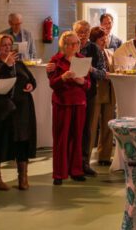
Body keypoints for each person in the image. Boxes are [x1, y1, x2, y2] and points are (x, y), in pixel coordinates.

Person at [0, 34, 38, 191]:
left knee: (22, 141)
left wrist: (31, 86)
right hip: (0, 109)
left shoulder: (19, 63)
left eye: (9, 45)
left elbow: (32, 80)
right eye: (4, 45)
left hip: (21, 109)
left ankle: (23, 178)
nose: (7, 48)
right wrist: (5, 65)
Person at [48, 31, 93, 185]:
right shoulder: (55, 61)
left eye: (77, 43)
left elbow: (88, 85)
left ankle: (76, 171)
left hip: (79, 103)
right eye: (72, 44)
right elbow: (52, 84)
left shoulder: (82, 60)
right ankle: (59, 173)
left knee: (77, 138)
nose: (75, 46)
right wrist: (63, 77)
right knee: (61, 138)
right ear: (64, 45)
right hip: (62, 103)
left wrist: (82, 81)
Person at [74, 20, 107, 172]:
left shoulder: (94, 48)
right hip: (71, 93)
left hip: (89, 93)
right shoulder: (69, 46)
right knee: (72, 127)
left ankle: (84, 162)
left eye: (86, 32)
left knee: (86, 128)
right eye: (80, 32)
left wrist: (91, 70)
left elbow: (102, 73)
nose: (83, 35)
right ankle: (71, 161)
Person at [84, 27, 114, 171]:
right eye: (101, 39)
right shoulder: (90, 52)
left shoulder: (110, 52)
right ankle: (86, 159)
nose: (104, 41)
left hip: (109, 92)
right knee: (91, 126)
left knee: (108, 125)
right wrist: (102, 74)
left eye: (105, 38)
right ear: (94, 40)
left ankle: (105, 156)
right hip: (95, 92)